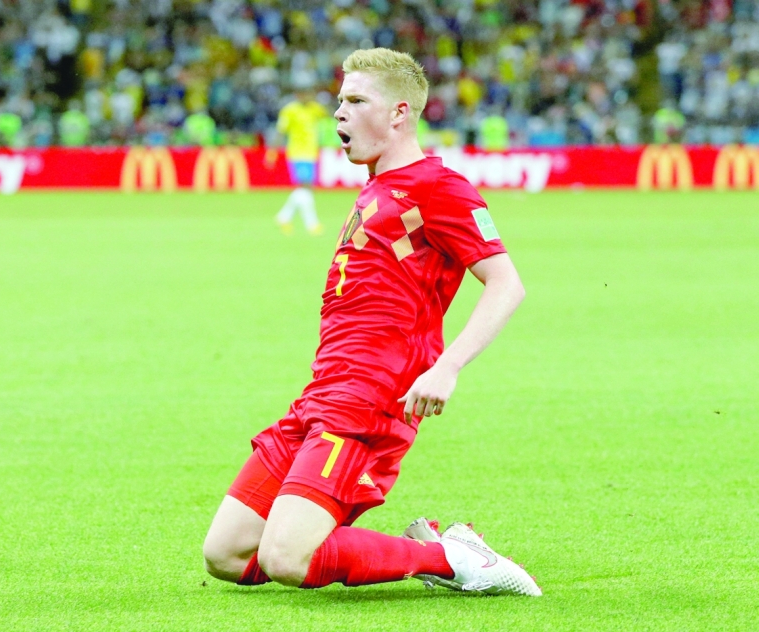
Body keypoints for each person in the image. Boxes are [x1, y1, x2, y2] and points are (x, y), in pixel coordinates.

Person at [202, 48, 540, 596]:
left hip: (370, 397)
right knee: (225, 554)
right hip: (322, 392)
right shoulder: (376, 189)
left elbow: (507, 284)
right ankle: (418, 549)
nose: (339, 112)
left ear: (399, 113)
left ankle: (452, 559)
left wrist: (448, 366)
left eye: (356, 100)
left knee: (287, 557)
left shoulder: (438, 187)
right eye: (339, 100)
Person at [274, 87, 326, 235]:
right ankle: (312, 224)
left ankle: (284, 217)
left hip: (311, 153)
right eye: (305, 93)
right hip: (298, 153)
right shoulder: (290, 110)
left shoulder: (315, 108)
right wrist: (273, 151)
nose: (308, 96)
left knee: (305, 188)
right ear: (298, 94)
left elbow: (329, 115)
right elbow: (280, 130)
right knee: (305, 187)